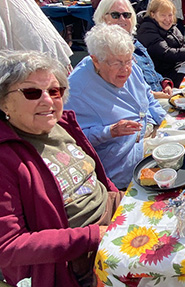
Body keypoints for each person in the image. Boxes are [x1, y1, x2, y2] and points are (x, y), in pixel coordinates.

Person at [0, 51, 121, 287]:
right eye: (32, 92)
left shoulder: (59, 125)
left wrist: (121, 198)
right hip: (75, 255)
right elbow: (8, 246)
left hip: (112, 216)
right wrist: (95, 235)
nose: (48, 100)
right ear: (3, 102)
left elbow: (95, 178)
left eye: (55, 91)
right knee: (163, 260)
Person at [65, 24, 166, 189]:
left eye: (128, 61)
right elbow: (73, 141)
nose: (126, 69)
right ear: (96, 61)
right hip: (121, 161)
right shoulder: (76, 92)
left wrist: (164, 120)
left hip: (149, 134)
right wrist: (109, 131)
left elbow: (147, 94)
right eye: (118, 63)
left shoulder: (129, 67)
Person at [94, 0, 167, 91]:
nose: (122, 19)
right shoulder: (105, 51)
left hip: (159, 93)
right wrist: (160, 96)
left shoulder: (135, 43)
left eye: (126, 15)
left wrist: (165, 83)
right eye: (115, 15)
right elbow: (123, 91)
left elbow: (151, 71)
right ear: (103, 18)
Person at [136, 0, 185, 88]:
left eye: (170, 15)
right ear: (153, 14)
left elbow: (182, 44)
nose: (168, 19)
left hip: (180, 66)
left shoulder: (170, 26)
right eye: (163, 15)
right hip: (165, 76)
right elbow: (166, 53)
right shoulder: (147, 29)